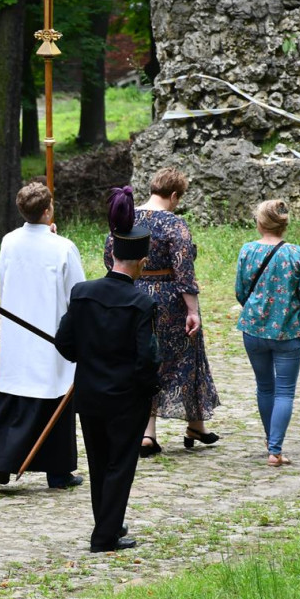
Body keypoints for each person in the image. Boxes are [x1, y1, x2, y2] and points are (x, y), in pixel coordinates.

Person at [56, 187, 160, 553]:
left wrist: (86, 357)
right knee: (120, 466)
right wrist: (150, 388)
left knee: (100, 464)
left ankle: (108, 524)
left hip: (90, 393)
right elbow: (147, 357)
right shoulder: (141, 303)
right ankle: (105, 535)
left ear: (113, 254)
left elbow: (64, 343)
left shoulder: (82, 293)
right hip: (126, 397)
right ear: (141, 261)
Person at [0, 183, 85, 489]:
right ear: (48, 210)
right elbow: (77, 292)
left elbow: (3, 278)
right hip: (49, 331)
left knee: (17, 395)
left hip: (18, 330)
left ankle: (3, 460)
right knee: (52, 395)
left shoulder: (10, 242)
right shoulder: (62, 247)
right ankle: (57, 470)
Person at [103, 168, 219, 457]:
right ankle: (185, 425)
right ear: (175, 195)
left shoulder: (127, 217)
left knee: (144, 357)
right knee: (185, 358)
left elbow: (110, 256)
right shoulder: (174, 224)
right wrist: (192, 310)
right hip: (169, 300)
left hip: (132, 295)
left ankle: (159, 430)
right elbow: (184, 270)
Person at [235, 200, 300, 466]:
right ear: (284, 225)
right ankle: (275, 450)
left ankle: (270, 440)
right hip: (289, 331)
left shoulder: (248, 251)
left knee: (265, 387)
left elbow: (240, 291)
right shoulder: (297, 254)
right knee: (284, 391)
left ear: (260, 223)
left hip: (254, 330)